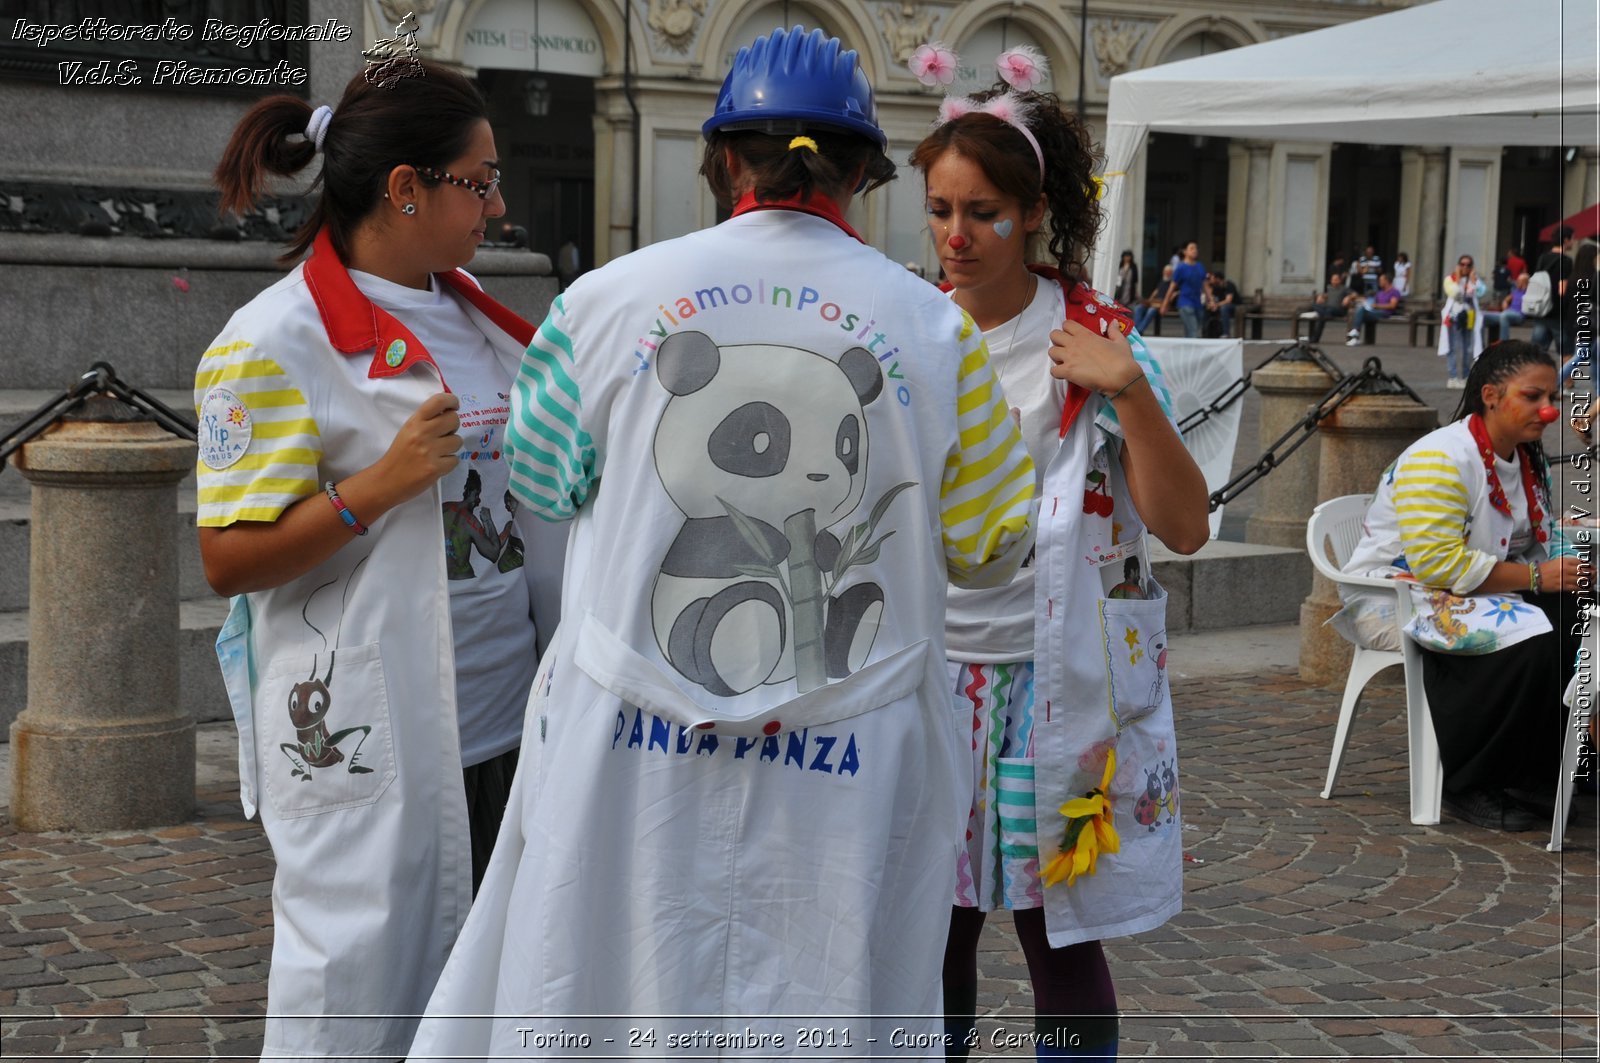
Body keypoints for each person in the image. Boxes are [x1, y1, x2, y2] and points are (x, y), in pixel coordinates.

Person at [407, 26, 1037, 1057]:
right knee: (829, 990)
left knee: (616, 976)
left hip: (635, 742)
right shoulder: (937, 333)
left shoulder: (600, 304)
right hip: (852, 754)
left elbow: (544, 483)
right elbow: (991, 546)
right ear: (863, 173)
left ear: (721, 160)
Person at [195, 60, 557, 1059]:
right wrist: (378, 485)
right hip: (368, 725)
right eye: (477, 182)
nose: (498, 202)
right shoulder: (271, 341)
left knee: (491, 1000)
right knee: (349, 1003)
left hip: (503, 715)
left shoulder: (483, 314)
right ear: (408, 188)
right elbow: (227, 558)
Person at [910, 60, 1208, 1061]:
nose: (956, 238)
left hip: (1058, 682)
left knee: (1057, 933)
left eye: (983, 213)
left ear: (1035, 213)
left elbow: (1185, 526)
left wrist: (1128, 390)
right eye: (941, 210)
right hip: (926, 675)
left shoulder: (1097, 340)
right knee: (927, 927)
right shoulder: (905, 332)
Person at [1335, 341, 1585, 831]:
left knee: (1578, 617)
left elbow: (1533, 535)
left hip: (1473, 586)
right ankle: (1470, 781)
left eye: (1551, 396)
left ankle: (1536, 771)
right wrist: (1537, 577)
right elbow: (1436, 564)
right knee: (1529, 643)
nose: (1548, 410)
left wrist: (1574, 555)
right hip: (1397, 595)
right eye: (1532, 396)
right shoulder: (1441, 458)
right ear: (1491, 395)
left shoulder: (1525, 456)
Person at [1440, 253, 1487, 388]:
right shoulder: (1450, 279)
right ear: (1458, 265)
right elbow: (1454, 293)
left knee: (1468, 348)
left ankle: (1466, 376)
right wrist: (1458, 279)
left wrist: (1473, 281)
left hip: (1469, 316)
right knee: (1453, 347)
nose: (1465, 267)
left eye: (1468, 265)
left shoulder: (1474, 280)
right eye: (1462, 264)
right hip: (1454, 317)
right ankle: (1453, 377)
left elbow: (1481, 292)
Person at [1558, 240, 1597, 388]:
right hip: (1590, 323)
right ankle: (1556, 381)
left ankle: (1598, 391)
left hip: (1574, 321)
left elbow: (1567, 301)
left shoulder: (1573, 277)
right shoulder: (1593, 279)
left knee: (1593, 357)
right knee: (1582, 355)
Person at [1531, 226, 1574, 353]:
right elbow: (1562, 289)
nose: (1573, 242)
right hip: (1558, 313)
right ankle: (1566, 374)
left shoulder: (1542, 257)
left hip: (1541, 310)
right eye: (1572, 239)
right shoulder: (1566, 261)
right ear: (1566, 240)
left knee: (1537, 354)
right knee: (1566, 355)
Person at [1159, 239, 1208, 337]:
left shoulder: (1200, 266)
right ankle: (1194, 351)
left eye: (1196, 248)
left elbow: (1205, 285)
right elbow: (1172, 287)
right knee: (1194, 330)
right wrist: (1165, 304)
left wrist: (1210, 300)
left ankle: (1188, 350)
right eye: (1191, 248)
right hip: (1185, 303)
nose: (1195, 250)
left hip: (1197, 303)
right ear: (1184, 251)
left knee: (1192, 330)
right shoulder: (1181, 268)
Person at [1345, 272, 1403, 345]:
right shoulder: (1380, 292)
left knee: (1360, 312)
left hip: (1385, 313)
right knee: (1358, 311)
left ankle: (1354, 334)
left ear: (1386, 281)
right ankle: (1355, 337)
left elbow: (1392, 305)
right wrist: (1355, 298)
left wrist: (1377, 306)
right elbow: (1371, 301)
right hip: (1375, 312)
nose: (1379, 282)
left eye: (1381, 280)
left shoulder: (1394, 292)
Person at [1306, 270, 1358, 343]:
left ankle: (1324, 314)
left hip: (1338, 310)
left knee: (1324, 313)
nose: (1334, 281)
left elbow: (1355, 294)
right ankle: (1315, 339)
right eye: (1333, 280)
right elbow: (1325, 295)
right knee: (1315, 307)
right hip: (1327, 309)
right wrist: (1320, 296)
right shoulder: (1329, 288)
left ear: (1340, 280)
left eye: (1336, 279)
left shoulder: (1344, 288)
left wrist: (1348, 297)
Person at [1482, 272, 1529, 344]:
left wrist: (1525, 288)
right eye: (1517, 280)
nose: (1516, 282)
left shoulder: (1528, 292)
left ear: (1525, 282)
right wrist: (1505, 305)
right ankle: (1481, 343)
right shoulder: (1515, 291)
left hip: (1519, 315)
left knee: (1504, 316)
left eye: (1519, 281)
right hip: (1508, 313)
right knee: (1482, 316)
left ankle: (1503, 342)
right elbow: (1506, 300)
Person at [1133, 263, 1173, 335]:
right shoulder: (1161, 281)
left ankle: (1139, 330)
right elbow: (1156, 291)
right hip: (1154, 302)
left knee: (1151, 310)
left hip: (1163, 303)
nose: (1166, 273)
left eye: (1168, 272)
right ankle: (1135, 329)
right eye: (1165, 271)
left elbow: (1172, 295)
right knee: (1138, 308)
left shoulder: (1172, 283)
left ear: (1171, 273)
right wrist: (1149, 300)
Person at [1208, 271, 1240, 338]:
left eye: (1212, 278)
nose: (1211, 279)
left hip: (1235, 306)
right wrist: (1212, 304)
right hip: (1222, 305)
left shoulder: (1229, 285)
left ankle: (1226, 333)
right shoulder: (1215, 287)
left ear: (1218, 279)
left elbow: (1228, 300)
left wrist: (1216, 305)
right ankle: (1207, 332)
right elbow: (1212, 298)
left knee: (1224, 308)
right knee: (1207, 308)